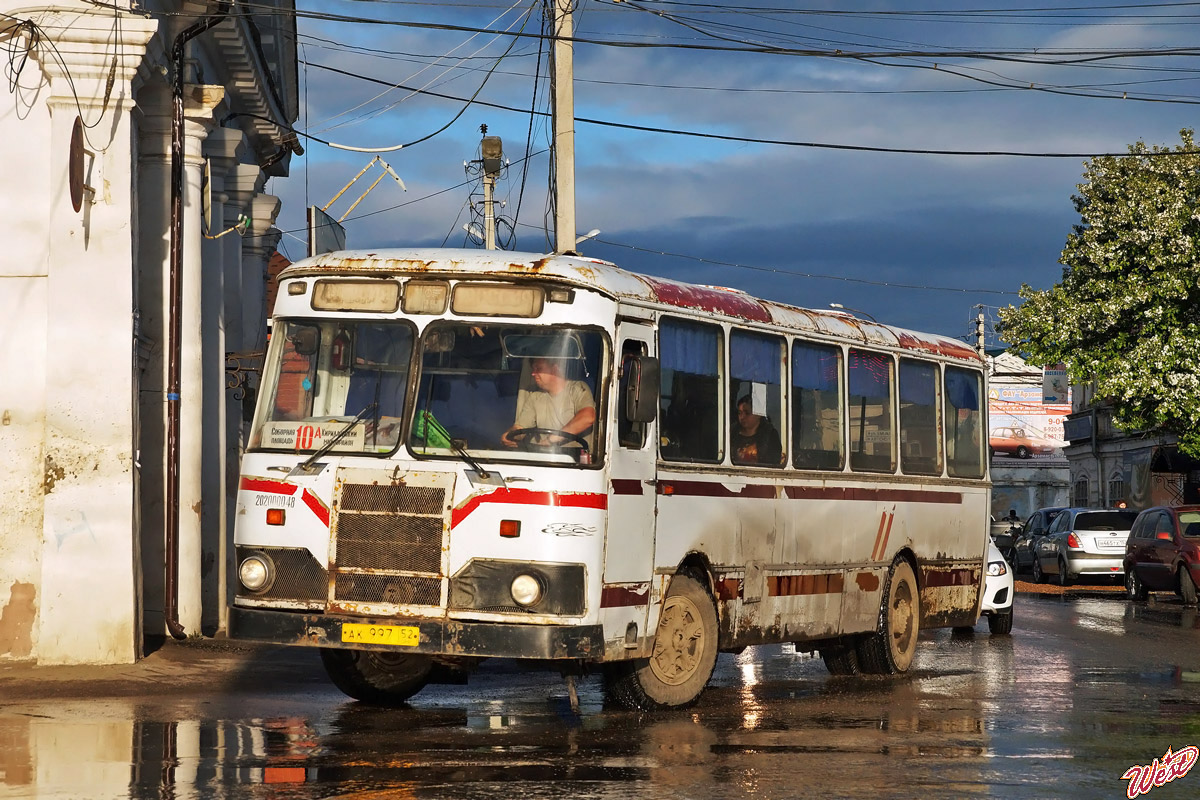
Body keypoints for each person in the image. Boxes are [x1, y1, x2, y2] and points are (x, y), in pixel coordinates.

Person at [501, 357, 596, 448]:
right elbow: (520, 427)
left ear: (554, 369)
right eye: (533, 369)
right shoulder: (535, 397)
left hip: (575, 459)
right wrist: (510, 435)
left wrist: (551, 439)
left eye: (539, 368)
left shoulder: (578, 389)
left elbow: (587, 418)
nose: (533, 373)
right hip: (543, 458)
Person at [732, 395, 782, 465]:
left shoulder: (770, 435)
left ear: (759, 414)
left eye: (747, 413)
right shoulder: (732, 433)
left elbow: (773, 462)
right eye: (739, 413)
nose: (742, 417)